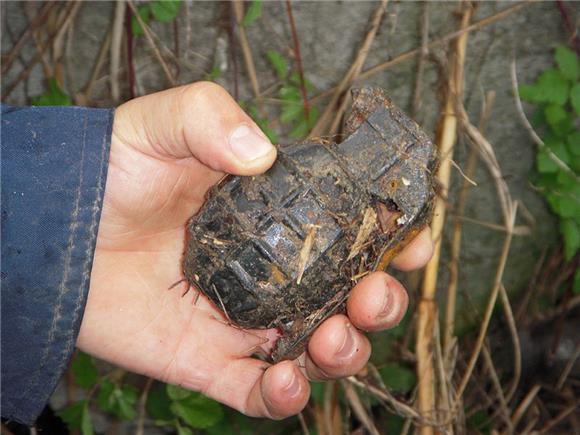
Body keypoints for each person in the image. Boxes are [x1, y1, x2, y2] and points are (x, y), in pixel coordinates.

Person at [1, 82, 433, 424]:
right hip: (241, 289)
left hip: (227, 274)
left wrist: (65, 228)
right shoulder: (325, 165)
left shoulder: (320, 163)